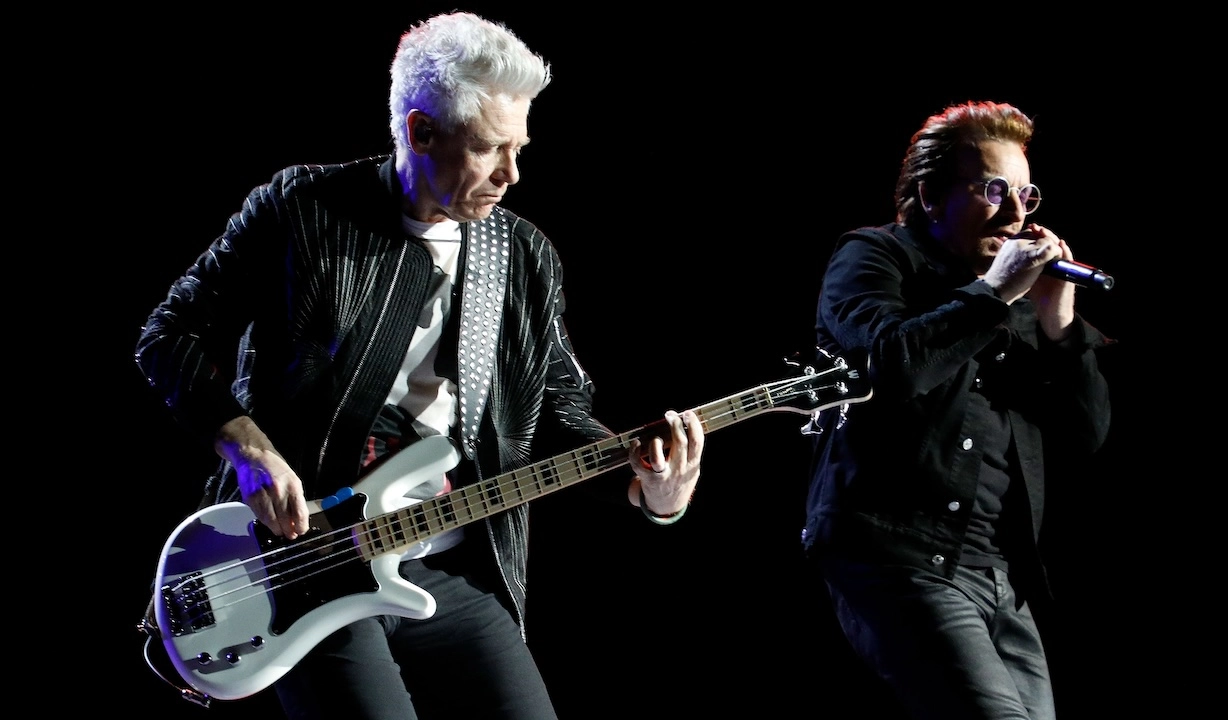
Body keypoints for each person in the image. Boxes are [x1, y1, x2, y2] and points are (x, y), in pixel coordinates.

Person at [135, 11, 702, 720]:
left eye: (519, 147)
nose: (512, 174)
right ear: (421, 132)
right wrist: (249, 451)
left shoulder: (523, 256)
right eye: (489, 148)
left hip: (443, 564)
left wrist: (651, 489)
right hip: (302, 562)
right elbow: (169, 336)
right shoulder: (302, 210)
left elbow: (555, 416)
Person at [802, 100, 1114, 720]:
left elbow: (1087, 433)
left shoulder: (1019, 301)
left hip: (1001, 577)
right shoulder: (875, 256)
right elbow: (892, 365)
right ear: (930, 196)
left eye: (1026, 194)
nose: (1017, 213)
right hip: (897, 559)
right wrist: (994, 291)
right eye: (994, 189)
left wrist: (1058, 323)